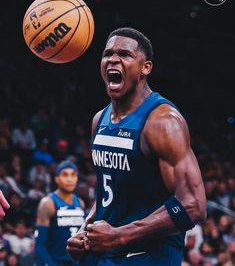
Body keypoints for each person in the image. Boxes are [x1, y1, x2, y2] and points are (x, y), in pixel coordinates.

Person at [67, 27, 207, 265]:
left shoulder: (163, 121)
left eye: (125, 54)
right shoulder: (99, 120)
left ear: (146, 68)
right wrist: (85, 230)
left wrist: (121, 235)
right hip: (105, 254)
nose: (113, 59)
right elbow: (107, 193)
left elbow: (194, 205)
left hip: (148, 256)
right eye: (108, 53)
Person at [35, 160, 85, 265]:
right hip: (56, 261)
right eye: (65, 175)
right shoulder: (48, 203)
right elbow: (39, 245)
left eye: (73, 175)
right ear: (57, 179)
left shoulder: (80, 203)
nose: (69, 179)